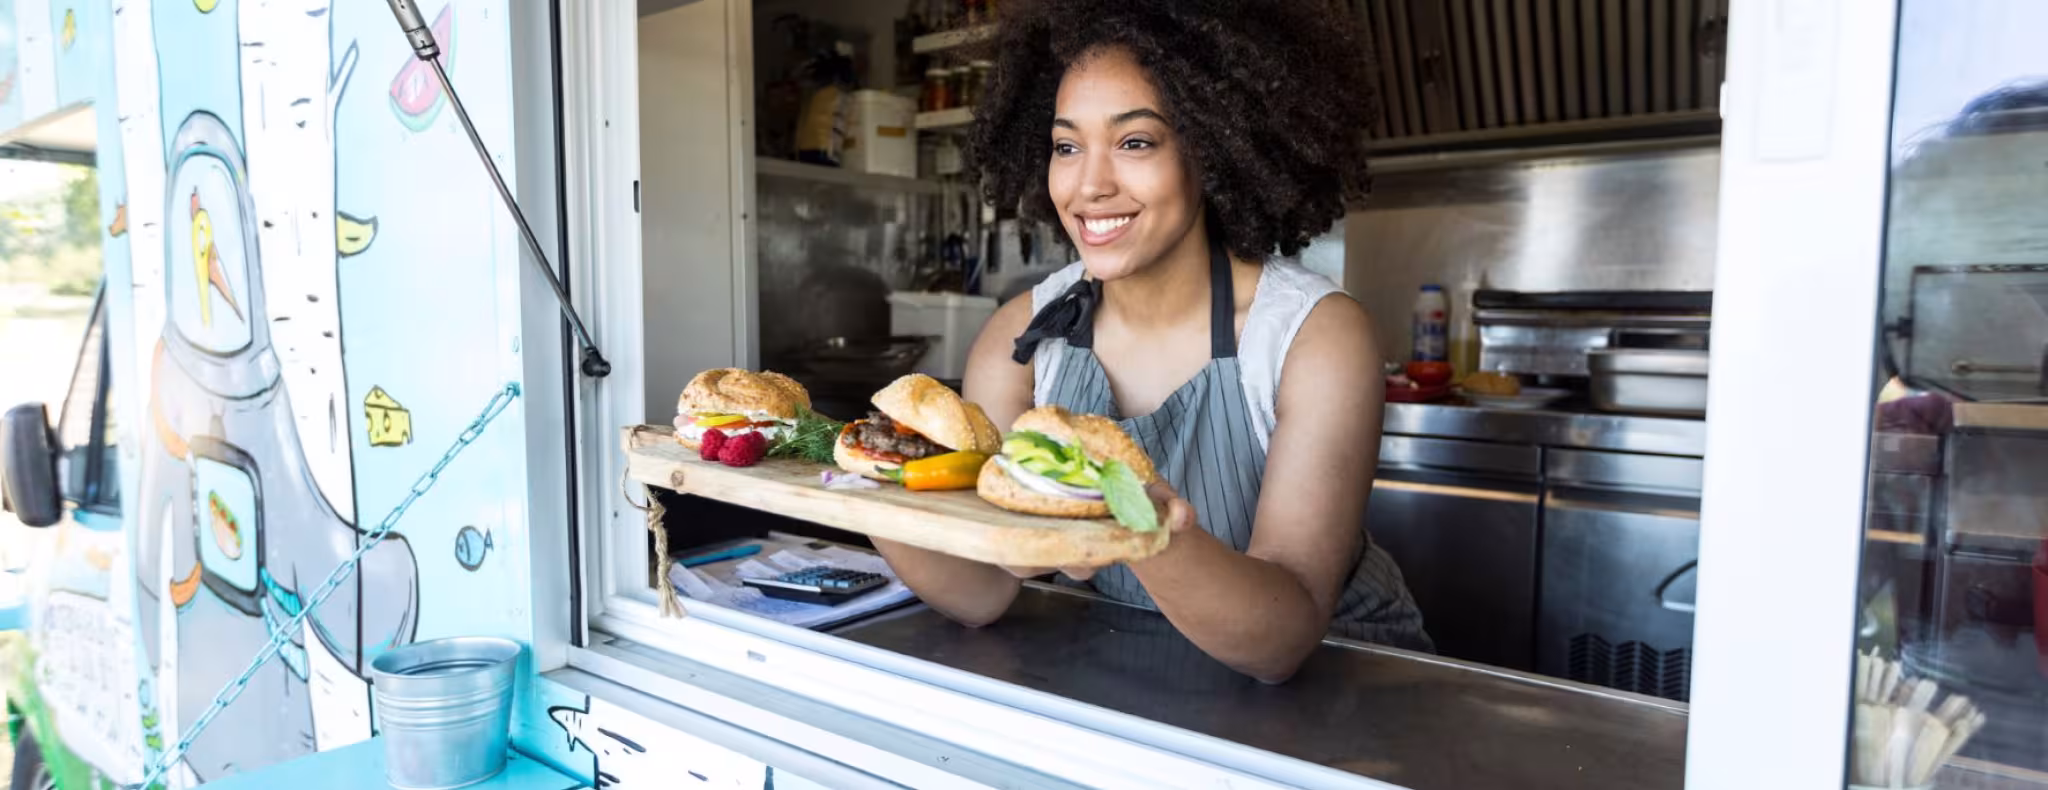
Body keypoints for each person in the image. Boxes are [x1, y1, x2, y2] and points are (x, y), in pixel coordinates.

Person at [873, 0, 1431, 682]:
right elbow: (983, 590)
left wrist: (1134, 522)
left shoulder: (1311, 335)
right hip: (1138, 671)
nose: (1090, 185)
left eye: (1135, 142)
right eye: (1066, 146)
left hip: (1346, 688)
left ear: (1213, 147)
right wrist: (865, 488)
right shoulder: (1021, 339)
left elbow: (1283, 640)